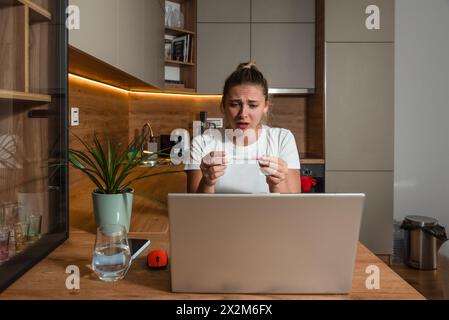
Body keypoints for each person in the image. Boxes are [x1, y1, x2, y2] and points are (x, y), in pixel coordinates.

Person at [185, 62, 301, 194]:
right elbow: (195, 210)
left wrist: (276, 184)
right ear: (223, 105)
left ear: (265, 106)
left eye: (253, 105)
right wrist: (207, 182)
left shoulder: (282, 139)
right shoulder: (202, 143)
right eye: (235, 104)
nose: (243, 114)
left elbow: (293, 209)